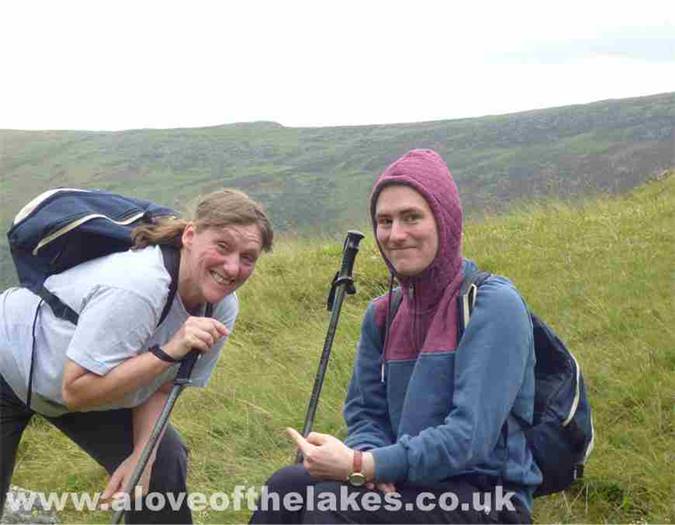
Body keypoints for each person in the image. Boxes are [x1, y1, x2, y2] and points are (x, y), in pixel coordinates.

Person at [250, 149, 541, 524]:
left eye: (411, 218)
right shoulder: (383, 314)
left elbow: (468, 437)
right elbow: (366, 413)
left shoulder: (491, 304)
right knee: (287, 487)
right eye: (384, 221)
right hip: (408, 484)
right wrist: (372, 464)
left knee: (333, 506)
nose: (395, 234)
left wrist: (365, 465)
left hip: (486, 496)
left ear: (445, 221)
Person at [0, 189, 273, 524]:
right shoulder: (139, 287)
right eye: (222, 246)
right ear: (190, 235)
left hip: (67, 379)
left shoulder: (220, 306)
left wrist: (142, 457)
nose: (232, 267)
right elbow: (77, 390)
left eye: (248, 257)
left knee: (160, 461)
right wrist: (169, 351)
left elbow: (158, 387)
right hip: (8, 359)